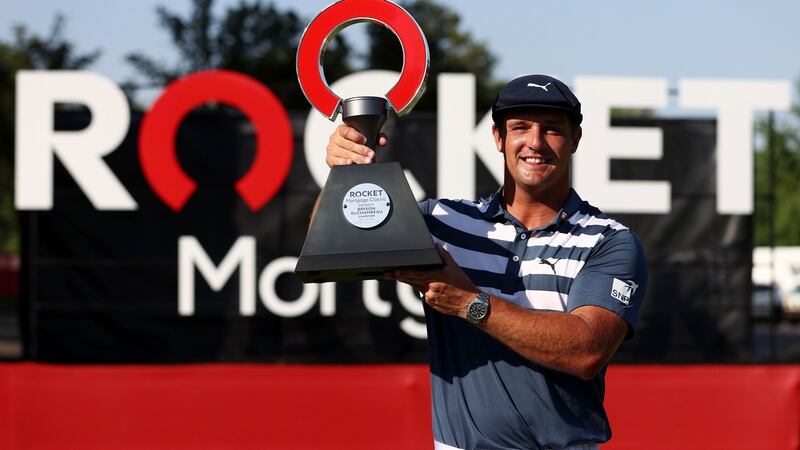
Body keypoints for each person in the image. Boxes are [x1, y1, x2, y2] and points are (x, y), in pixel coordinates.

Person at [325, 74, 647, 450]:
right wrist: (347, 174)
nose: (535, 142)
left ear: (574, 139)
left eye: (552, 129)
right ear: (498, 138)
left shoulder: (609, 241)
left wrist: (468, 302)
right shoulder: (441, 222)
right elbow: (337, 245)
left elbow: (586, 351)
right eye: (520, 127)